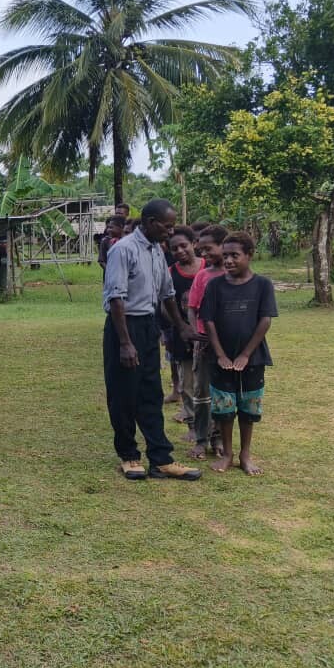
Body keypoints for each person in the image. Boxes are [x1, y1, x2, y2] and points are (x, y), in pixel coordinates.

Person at [101, 199, 202, 481]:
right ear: (149, 222)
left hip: (147, 326)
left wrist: (181, 326)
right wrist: (124, 342)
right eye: (167, 226)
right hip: (124, 326)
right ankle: (129, 455)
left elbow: (167, 293)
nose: (170, 232)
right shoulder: (123, 250)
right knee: (123, 393)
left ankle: (161, 458)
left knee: (150, 392)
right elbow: (116, 297)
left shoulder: (157, 249)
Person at [200, 232, 277, 476]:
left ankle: (245, 454)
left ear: (249, 255)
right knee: (224, 406)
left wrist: (245, 354)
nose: (229, 261)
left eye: (235, 255)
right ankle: (228, 454)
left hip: (252, 358)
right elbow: (209, 321)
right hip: (220, 358)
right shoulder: (215, 285)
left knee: (249, 406)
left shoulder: (262, 285)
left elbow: (265, 320)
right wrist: (220, 354)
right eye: (225, 256)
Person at [186, 225, 229, 459]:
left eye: (209, 249)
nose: (204, 254)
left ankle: (220, 439)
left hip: (229, 345)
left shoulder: (235, 276)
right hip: (204, 344)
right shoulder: (202, 276)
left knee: (224, 393)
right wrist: (196, 335)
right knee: (201, 392)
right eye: (201, 250)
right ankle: (201, 439)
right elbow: (192, 309)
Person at [166, 227, 204, 436]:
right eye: (174, 248)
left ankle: (213, 429)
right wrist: (181, 325)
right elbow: (164, 304)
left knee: (208, 384)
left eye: (184, 245)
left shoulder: (209, 269)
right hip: (182, 336)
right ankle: (193, 425)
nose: (180, 251)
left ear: (194, 244)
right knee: (187, 384)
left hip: (208, 337)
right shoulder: (170, 273)